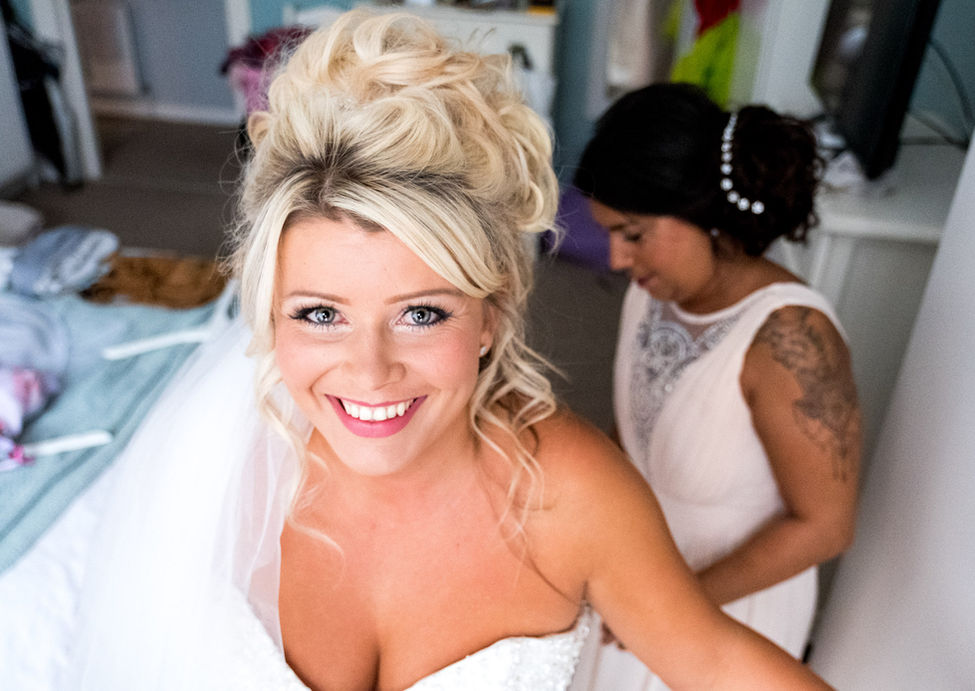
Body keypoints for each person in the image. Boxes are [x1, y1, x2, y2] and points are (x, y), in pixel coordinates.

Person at [63, 12, 832, 689]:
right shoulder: (218, 457)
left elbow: (714, 661)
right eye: (320, 313)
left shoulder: (576, 493)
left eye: (422, 312)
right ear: (268, 313)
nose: (367, 370)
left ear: (493, 311)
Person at [571, 82, 861, 690]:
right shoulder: (652, 294)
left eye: (634, 232)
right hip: (638, 583)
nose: (618, 260)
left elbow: (825, 525)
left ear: (702, 212)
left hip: (727, 606)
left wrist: (674, 611)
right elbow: (635, 435)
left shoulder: (791, 339)